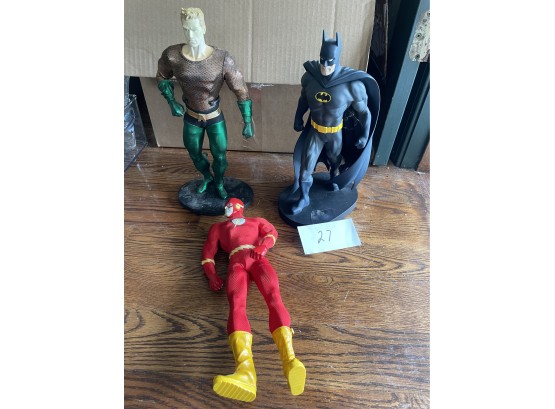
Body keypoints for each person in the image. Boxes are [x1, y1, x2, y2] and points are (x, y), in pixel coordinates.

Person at [201, 198, 306, 402]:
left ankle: (291, 361)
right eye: (226, 205)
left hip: (257, 258)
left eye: (230, 205)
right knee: (237, 304)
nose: (226, 207)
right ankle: (245, 371)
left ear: (240, 207)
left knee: (273, 297)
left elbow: (272, 232)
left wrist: (263, 247)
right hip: (236, 263)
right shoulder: (218, 228)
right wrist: (211, 275)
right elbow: (208, 254)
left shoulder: (256, 221)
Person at [156, 8, 253, 200]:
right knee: (194, 153)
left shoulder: (222, 59)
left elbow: (240, 89)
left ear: (203, 28)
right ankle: (207, 177)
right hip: (191, 116)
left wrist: (248, 121)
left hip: (214, 116)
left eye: (195, 29)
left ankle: (219, 182)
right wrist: (171, 102)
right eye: (187, 29)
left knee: (220, 155)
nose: (191, 35)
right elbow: (161, 76)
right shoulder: (172, 55)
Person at [290, 31, 379, 215]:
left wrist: (364, 135)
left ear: (337, 59)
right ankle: (304, 198)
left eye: (329, 61)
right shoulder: (310, 78)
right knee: (305, 169)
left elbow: (364, 112)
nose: (325, 65)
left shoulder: (352, 85)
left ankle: (334, 177)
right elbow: (303, 100)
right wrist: (298, 117)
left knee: (335, 161)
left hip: (335, 133)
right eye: (322, 60)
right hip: (315, 132)